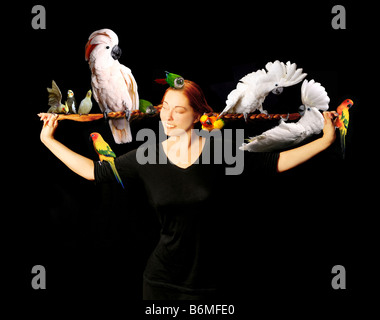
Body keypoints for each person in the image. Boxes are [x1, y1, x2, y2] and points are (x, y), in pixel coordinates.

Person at [39, 80, 337, 299]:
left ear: (197, 115)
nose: (167, 118)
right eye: (165, 108)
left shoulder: (222, 152)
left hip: (215, 285)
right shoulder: (147, 156)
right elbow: (96, 171)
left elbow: (275, 163)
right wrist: (49, 141)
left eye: (178, 111)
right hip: (161, 284)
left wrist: (324, 141)